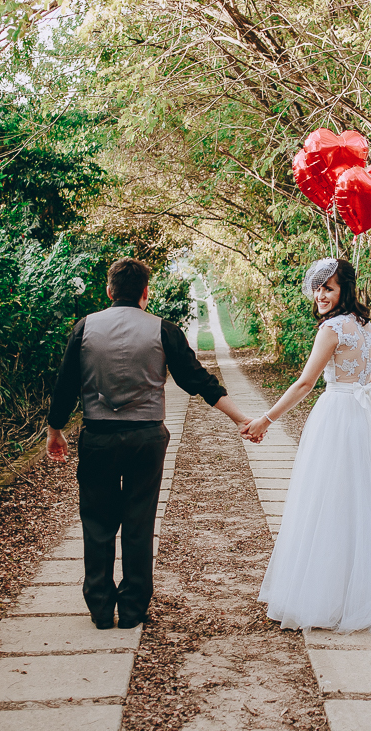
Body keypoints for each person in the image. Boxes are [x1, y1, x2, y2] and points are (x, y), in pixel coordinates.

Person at [46, 258, 252, 629]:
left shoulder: (84, 328)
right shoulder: (163, 329)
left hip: (98, 438)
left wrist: (55, 429)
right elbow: (196, 380)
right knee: (139, 521)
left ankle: (100, 608)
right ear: (145, 293)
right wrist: (239, 418)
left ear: (109, 291)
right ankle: (132, 609)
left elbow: (66, 384)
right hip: (146, 438)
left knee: (97, 522)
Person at [241, 258, 371, 634]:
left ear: (344, 290)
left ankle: (329, 596)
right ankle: (368, 591)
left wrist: (266, 420)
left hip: (337, 416)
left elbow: (305, 384)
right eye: (318, 288)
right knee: (363, 497)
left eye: (329, 288)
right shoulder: (365, 325)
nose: (321, 295)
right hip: (364, 417)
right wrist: (356, 384)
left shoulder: (331, 329)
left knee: (329, 497)